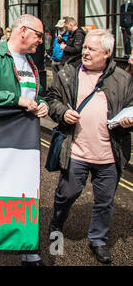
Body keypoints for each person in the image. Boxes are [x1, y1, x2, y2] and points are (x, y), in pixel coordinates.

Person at [45, 29, 133, 264]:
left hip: (110, 154)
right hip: (76, 152)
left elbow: (132, 106)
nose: (85, 52)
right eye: (84, 47)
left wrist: (128, 121)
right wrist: (63, 112)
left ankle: (98, 240)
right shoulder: (68, 73)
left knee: (105, 201)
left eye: (91, 49)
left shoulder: (123, 79)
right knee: (67, 193)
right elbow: (51, 98)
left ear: (107, 53)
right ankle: (57, 222)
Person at [0, 14, 49, 266]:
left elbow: (39, 94)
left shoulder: (32, 62)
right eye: (39, 35)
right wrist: (15, 100)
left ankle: (28, 249)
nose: (41, 41)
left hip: (24, 137)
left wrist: (43, 104)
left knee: (26, 190)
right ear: (23, 31)